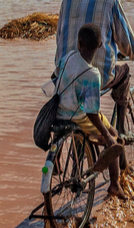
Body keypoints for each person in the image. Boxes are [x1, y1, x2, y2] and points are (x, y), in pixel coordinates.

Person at [55, 0, 134, 144]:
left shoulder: (67, 1)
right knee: (123, 73)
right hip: (97, 75)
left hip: (64, 74)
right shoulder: (111, 0)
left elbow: (59, 38)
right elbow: (125, 41)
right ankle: (122, 130)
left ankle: (62, 152)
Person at [52, 23, 125, 198]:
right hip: (77, 117)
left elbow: (56, 75)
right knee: (113, 135)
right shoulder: (93, 74)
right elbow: (92, 112)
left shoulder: (68, 57)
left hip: (58, 111)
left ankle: (55, 162)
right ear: (100, 45)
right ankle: (114, 185)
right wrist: (106, 135)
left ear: (78, 43)